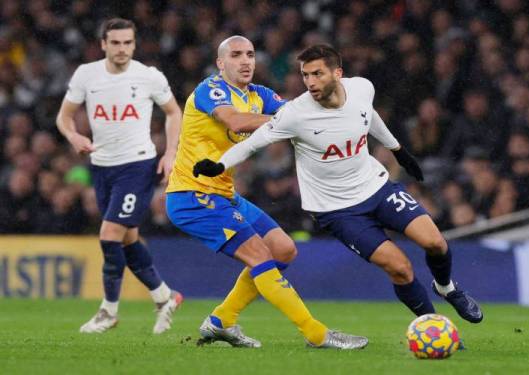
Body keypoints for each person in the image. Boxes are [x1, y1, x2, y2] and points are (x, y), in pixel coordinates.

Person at [194, 44, 483, 325]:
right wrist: (221, 164)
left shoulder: (362, 88)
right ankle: (431, 325)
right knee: (401, 268)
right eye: (305, 75)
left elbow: (368, 115)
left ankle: (446, 287)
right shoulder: (295, 113)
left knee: (435, 242)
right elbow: (253, 143)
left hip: (376, 187)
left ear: (337, 73)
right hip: (337, 210)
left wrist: (397, 150)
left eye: (317, 74)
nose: (310, 82)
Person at [165, 36, 367, 349]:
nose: (245, 61)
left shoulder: (259, 94)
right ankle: (316, 334)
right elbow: (235, 120)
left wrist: (338, 110)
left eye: (250, 54)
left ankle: (221, 321)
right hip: (193, 196)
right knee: (259, 254)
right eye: (235, 55)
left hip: (225, 195)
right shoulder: (211, 90)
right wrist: (288, 121)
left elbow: (300, 109)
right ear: (221, 63)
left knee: (283, 250)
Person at [56, 18, 183, 334]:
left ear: (134, 44)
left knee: (109, 234)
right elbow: (64, 117)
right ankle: (164, 297)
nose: (122, 48)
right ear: (103, 44)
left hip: (138, 165)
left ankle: (108, 311)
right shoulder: (87, 75)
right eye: (115, 42)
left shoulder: (148, 76)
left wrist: (169, 154)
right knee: (127, 239)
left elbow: (173, 112)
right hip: (102, 167)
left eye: (128, 42)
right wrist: (74, 137)